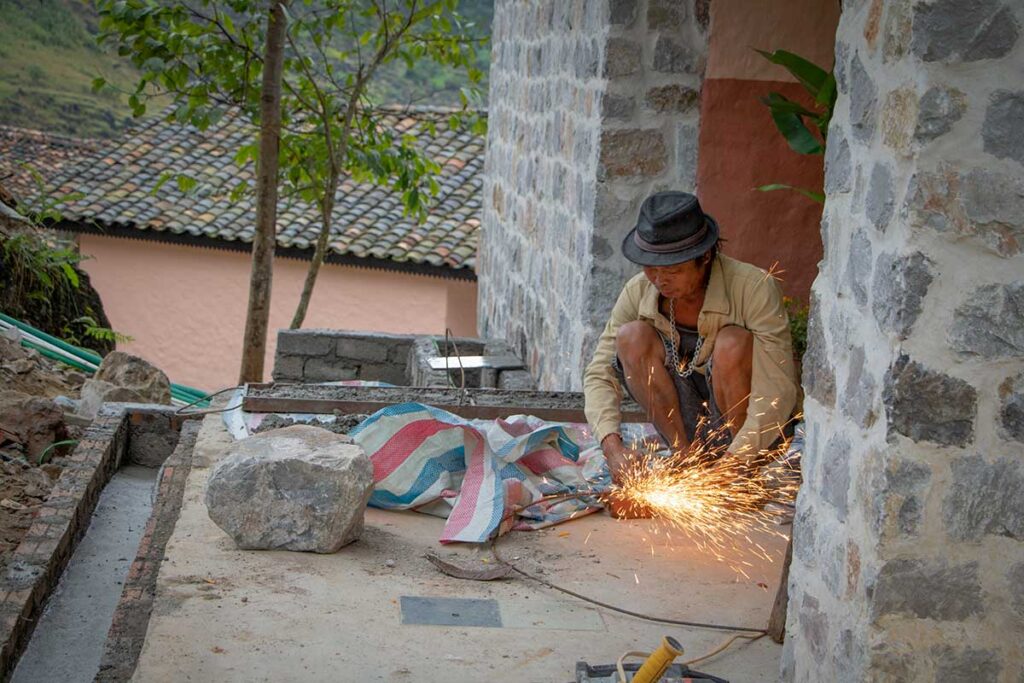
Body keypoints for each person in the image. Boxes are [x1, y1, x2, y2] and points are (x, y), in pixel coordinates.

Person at [583, 191, 800, 484]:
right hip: (691, 429)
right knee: (631, 336)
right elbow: (599, 373)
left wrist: (736, 461)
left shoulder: (754, 288)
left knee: (731, 343)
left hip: (754, 434)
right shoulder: (638, 291)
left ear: (705, 257)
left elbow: (778, 389)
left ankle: (745, 473)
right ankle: (685, 459)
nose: (660, 281)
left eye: (673, 270)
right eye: (651, 268)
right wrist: (612, 447)